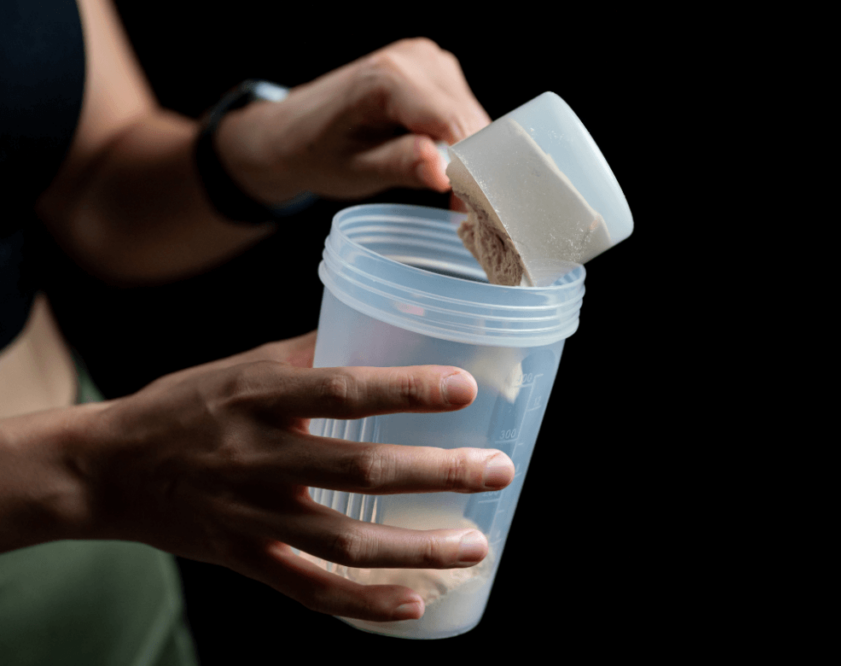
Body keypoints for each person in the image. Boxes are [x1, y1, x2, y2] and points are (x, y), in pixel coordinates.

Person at [0, 0, 509, 663]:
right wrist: (90, 472)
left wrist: (266, 147)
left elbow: (93, 184)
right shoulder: (111, 473)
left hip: (109, 564)